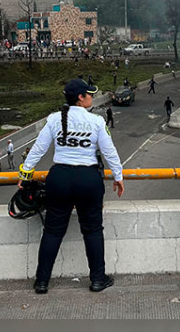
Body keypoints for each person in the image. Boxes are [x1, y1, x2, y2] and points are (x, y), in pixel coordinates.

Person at [19, 78, 124, 294]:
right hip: (88, 180)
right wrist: (118, 176)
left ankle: (41, 281)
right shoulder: (96, 121)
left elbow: (38, 149)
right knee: (93, 230)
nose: (92, 97)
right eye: (89, 94)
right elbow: (109, 152)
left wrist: (25, 174)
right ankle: (97, 279)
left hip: (59, 178)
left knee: (52, 232)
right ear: (80, 97)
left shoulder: (54, 119)